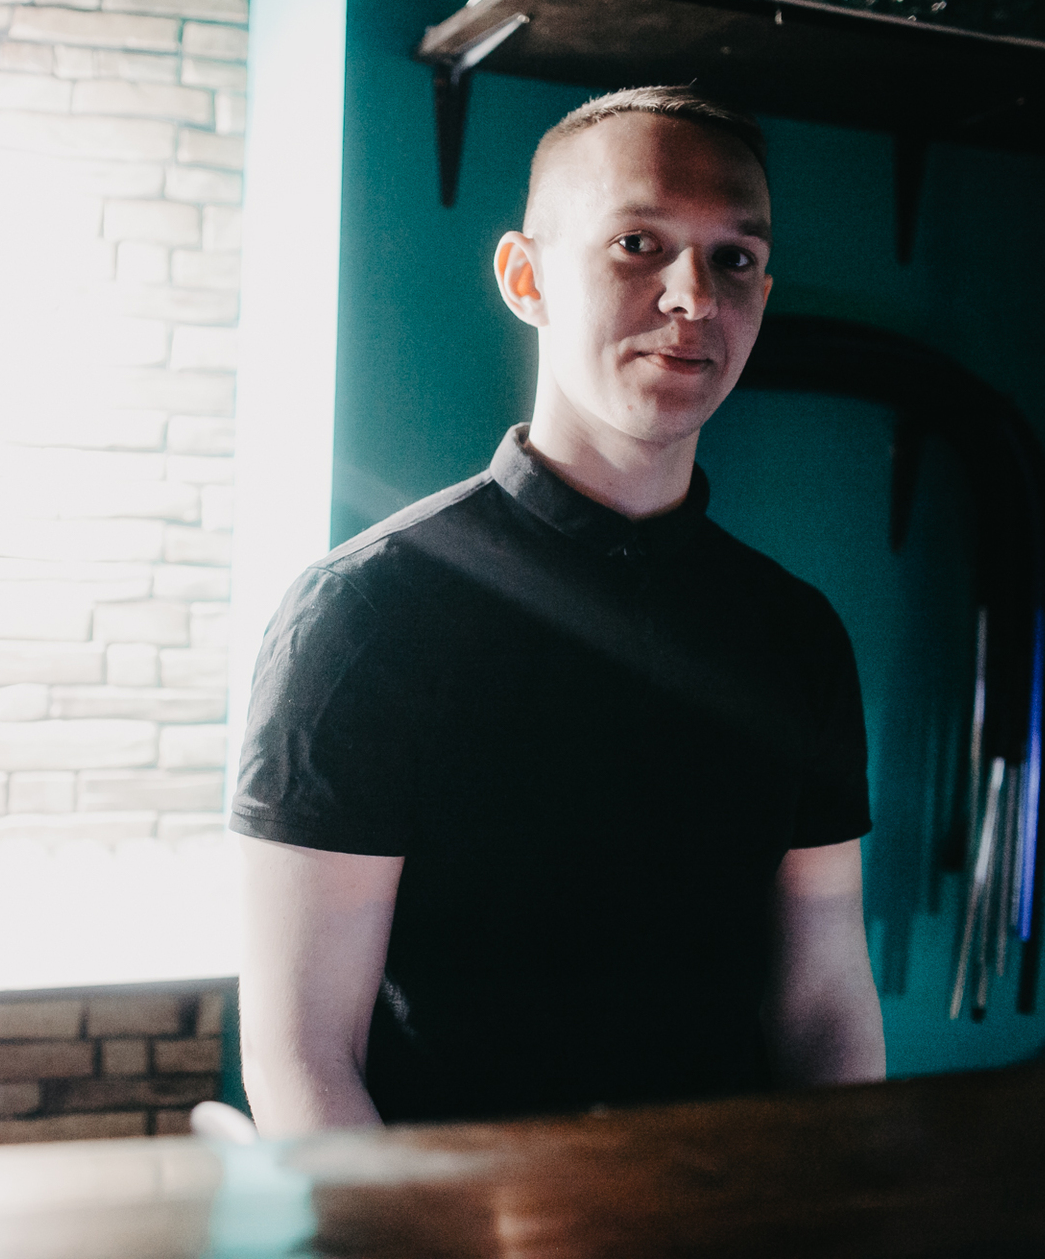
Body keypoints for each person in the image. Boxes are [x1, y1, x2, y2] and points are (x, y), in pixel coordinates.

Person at [232, 86, 886, 1135]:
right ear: (526, 278)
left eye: (735, 258)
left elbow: (824, 1004)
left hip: (735, 1203)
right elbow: (304, 1055)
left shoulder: (796, 635)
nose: (694, 297)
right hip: (454, 1211)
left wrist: (846, 1199)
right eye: (638, 243)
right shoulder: (363, 616)